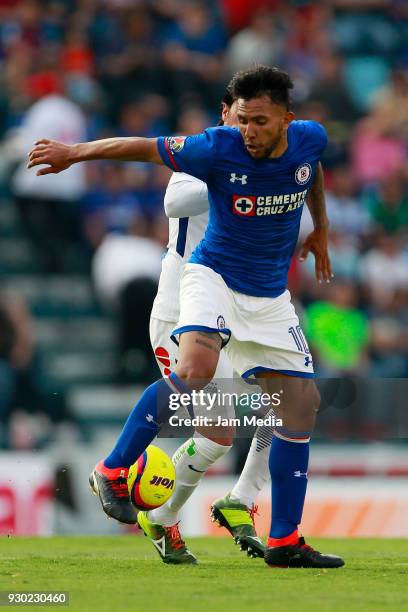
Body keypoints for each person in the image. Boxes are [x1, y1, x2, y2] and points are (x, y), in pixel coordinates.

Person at [28, 65, 344, 569]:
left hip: (265, 297)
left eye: (258, 121)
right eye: (239, 119)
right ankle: (115, 471)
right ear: (226, 116)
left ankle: (278, 536)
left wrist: (320, 226)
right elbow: (149, 157)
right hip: (199, 287)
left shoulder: (307, 141)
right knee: (203, 394)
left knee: (298, 404)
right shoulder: (211, 151)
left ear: (286, 120)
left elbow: (310, 168)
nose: (247, 131)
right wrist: (75, 154)